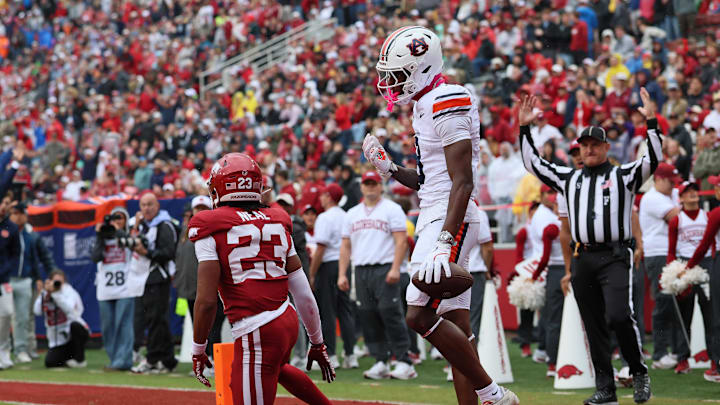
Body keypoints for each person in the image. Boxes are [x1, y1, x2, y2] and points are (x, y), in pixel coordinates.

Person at [364, 26, 518, 405]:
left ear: (420, 68)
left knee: (417, 314)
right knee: (456, 327)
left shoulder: (448, 98)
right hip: (439, 210)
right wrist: (391, 170)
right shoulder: (426, 101)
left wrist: (444, 242)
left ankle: (493, 394)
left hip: (452, 217)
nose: (390, 83)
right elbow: (432, 180)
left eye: (396, 75)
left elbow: (462, 182)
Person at [519, 88, 660, 404]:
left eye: (595, 145)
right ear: (579, 150)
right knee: (593, 325)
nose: (589, 150)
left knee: (620, 316)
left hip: (613, 254)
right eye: (584, 146)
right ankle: (606, 388)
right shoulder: (570, 179)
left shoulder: (624, 175)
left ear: (607, 148)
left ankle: (637, 371)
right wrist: (524, 127)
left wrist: (651, 121)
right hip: (583, 257)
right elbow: (533, 164)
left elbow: (652, 159)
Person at [188, 153, 334, 405]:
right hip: (284, 317)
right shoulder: (278, 219)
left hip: (258, 325)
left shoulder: (208, 224)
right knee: (273, 368)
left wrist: (198, 349)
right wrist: (317, 341)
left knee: (249, 387)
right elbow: (302, 291)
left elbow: (206, 301)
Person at [337, 170, 414, 380]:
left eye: (374, 183)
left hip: (384, 266)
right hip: (361, 269)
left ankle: (404, 360)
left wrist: (396, 267)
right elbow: (345, 246)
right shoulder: (352, 213)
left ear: (380, 186)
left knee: (391, 312)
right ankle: (380, 360)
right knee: (368, 315)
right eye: (367, 183)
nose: (370, 187)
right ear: (361, 187)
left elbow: (401, 240)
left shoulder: (392, 209)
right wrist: (342, 274)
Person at [667, 181, 714, 375]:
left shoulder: (708, 216)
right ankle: (682, 359)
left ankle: (715, 360)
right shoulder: (676, 221)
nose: (693, 193)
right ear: (682, 197)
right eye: (688, 192)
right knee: (683, 317)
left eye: (695, 190)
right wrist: (672, 273)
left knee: (711, 316)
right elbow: (670, 250)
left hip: (706, 265)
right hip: (684, 268)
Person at [309, 183, 357, 369]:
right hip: (344, 263)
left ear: (328, 197)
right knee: (345, 311)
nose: (321, 198)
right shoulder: (346, 216)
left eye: (323, 195)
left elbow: (320, 248)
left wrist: (312, 274)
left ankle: (331, 355)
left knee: (327, 311)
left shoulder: (324, 218)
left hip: (329, 265)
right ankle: (350, 354)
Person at [174, 195, 224, 374]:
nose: (200, 211)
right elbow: (180, 258)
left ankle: (214, 361)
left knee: (213, 327)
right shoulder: (185, 231)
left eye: (204, 208)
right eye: (198, 208)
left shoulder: (215, 230)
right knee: (199, 326)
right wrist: (179, 279)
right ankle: (204, 361)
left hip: (210, 290)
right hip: (189, 289)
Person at [130, 193, 179, 374]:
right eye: (143, 205)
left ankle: (153, 358)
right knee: (156, 320)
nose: (146, 208)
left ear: (157, 206)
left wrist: (147, 252)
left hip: (158, 277)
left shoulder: (164, 225)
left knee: (156, 320)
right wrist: (135, 226)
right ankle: (166, 360)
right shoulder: (143, 226)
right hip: (145, 278)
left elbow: (168, 252)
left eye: (150, 204)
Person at [639, 162, 681, 370]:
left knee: (674, 302)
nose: (674, 186)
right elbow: (677, 217)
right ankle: (659, 353)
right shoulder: (652, 197)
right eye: (670, 182)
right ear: (659, 179)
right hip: (658, 253)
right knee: (663, 302)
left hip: (669, 252)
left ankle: (674, 350)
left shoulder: (668, 196)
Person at [90, 207, 135, 371]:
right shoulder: (103, 237)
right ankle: (114, 358)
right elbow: (95, 257)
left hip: (125, 288)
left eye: (120, 218)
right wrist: (99, 235)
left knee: (123, 324)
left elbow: (132, 245)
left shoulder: (129, 237)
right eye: (114, 219)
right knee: (108, 326)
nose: (116, 222)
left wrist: (118, 232)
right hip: (105, 290)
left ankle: (124, 361)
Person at [8, 202, 54, 363]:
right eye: (16, 213)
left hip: (25, 280)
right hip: (6, 280)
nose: (20, 216)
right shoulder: (5, 231)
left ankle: (22, 349)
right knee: (5, 316)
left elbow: (39, 258)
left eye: (22, 213)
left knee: (23, 317)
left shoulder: (31, 234)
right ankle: (5, 350)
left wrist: (44, 276)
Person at [686, 174, 720, 383]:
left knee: (717, 316)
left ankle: (717, 367)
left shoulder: (715, 214)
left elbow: (704, 244)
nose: (715, 189)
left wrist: (687, 267)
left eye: (717, 186)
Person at [275, 193, 313, 368]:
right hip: (279, 277)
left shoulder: (295, 228)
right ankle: (291, 356)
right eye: (280, 203)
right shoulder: (275, 223)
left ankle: (300, 356)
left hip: (292, 276)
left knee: (297, 316)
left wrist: (304, 277)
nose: (282, 207)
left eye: (285, 204)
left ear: (291, 207)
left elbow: (300, 256)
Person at [529, 184, 563, 378]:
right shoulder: (545, 218)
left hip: (550, 267)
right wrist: (536, 274)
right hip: (549, 267)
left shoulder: (551, 216)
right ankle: (550, 357)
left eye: (555, 193)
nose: (553, 197)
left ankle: (544, 351)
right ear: (541, 195)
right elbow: (547, 249)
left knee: (550, 315)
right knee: (553, 317)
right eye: (549, 193)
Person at [34, 269, 90, 368]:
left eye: (60, 282)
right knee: (50, 363)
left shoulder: (69, 291)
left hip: (74, 333)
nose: (57, 284)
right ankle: (68, 358)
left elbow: (70, 310)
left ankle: (80, 359)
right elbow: (37, 311)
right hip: (58, 340)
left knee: (75, 326)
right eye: (55, 281)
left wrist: (56, 295)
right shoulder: (46, 293)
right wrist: (44, 293)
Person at [514, 201, 540, 359]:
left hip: (544, 270)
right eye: (534, 213)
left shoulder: (546, 227)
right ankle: (525, 343)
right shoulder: (525, 231)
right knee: (527, 309)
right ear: (530, 214)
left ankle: (544, 345)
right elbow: (519, 253)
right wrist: (522, 274)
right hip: (528, 272)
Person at [0, 194, 20, 369]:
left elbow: (15, 254)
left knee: (6, 314)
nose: (3, 206)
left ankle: (4, 351)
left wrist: (7, 270)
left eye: (6, 203)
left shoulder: (12, 228)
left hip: (3, 279)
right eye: (2, 202)